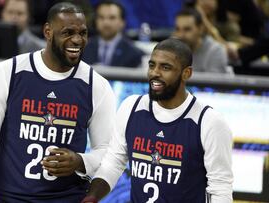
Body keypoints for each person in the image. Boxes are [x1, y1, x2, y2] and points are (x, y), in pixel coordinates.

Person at [0, 2, 116, 202]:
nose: (77, 40)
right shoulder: (7, 73)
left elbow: (110, 154)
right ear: (47, 31)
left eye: (83, 33)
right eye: (68, 32)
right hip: (9, 198)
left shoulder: (97, 85)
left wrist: (81, 161)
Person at [81, 38, 233, 203]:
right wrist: (93, 196)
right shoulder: (132, 107)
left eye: (165, 67)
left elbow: (220, 188)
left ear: (186, 73)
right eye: (152, 65)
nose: (155, 73)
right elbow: (114, 162)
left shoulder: (210, 122)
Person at [82, 0, 145, 68]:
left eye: (112, 18)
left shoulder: (134, 53)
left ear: (122, 22)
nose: (106, 23)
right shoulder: (83, 49)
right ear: (95, 20)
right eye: (101, 17)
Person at [173, 8, 230, 73]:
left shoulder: (216, 51)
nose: (181, 35)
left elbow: (214, 82)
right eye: (177, 29)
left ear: (200, 29)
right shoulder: (171, 48)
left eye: (187, 29)